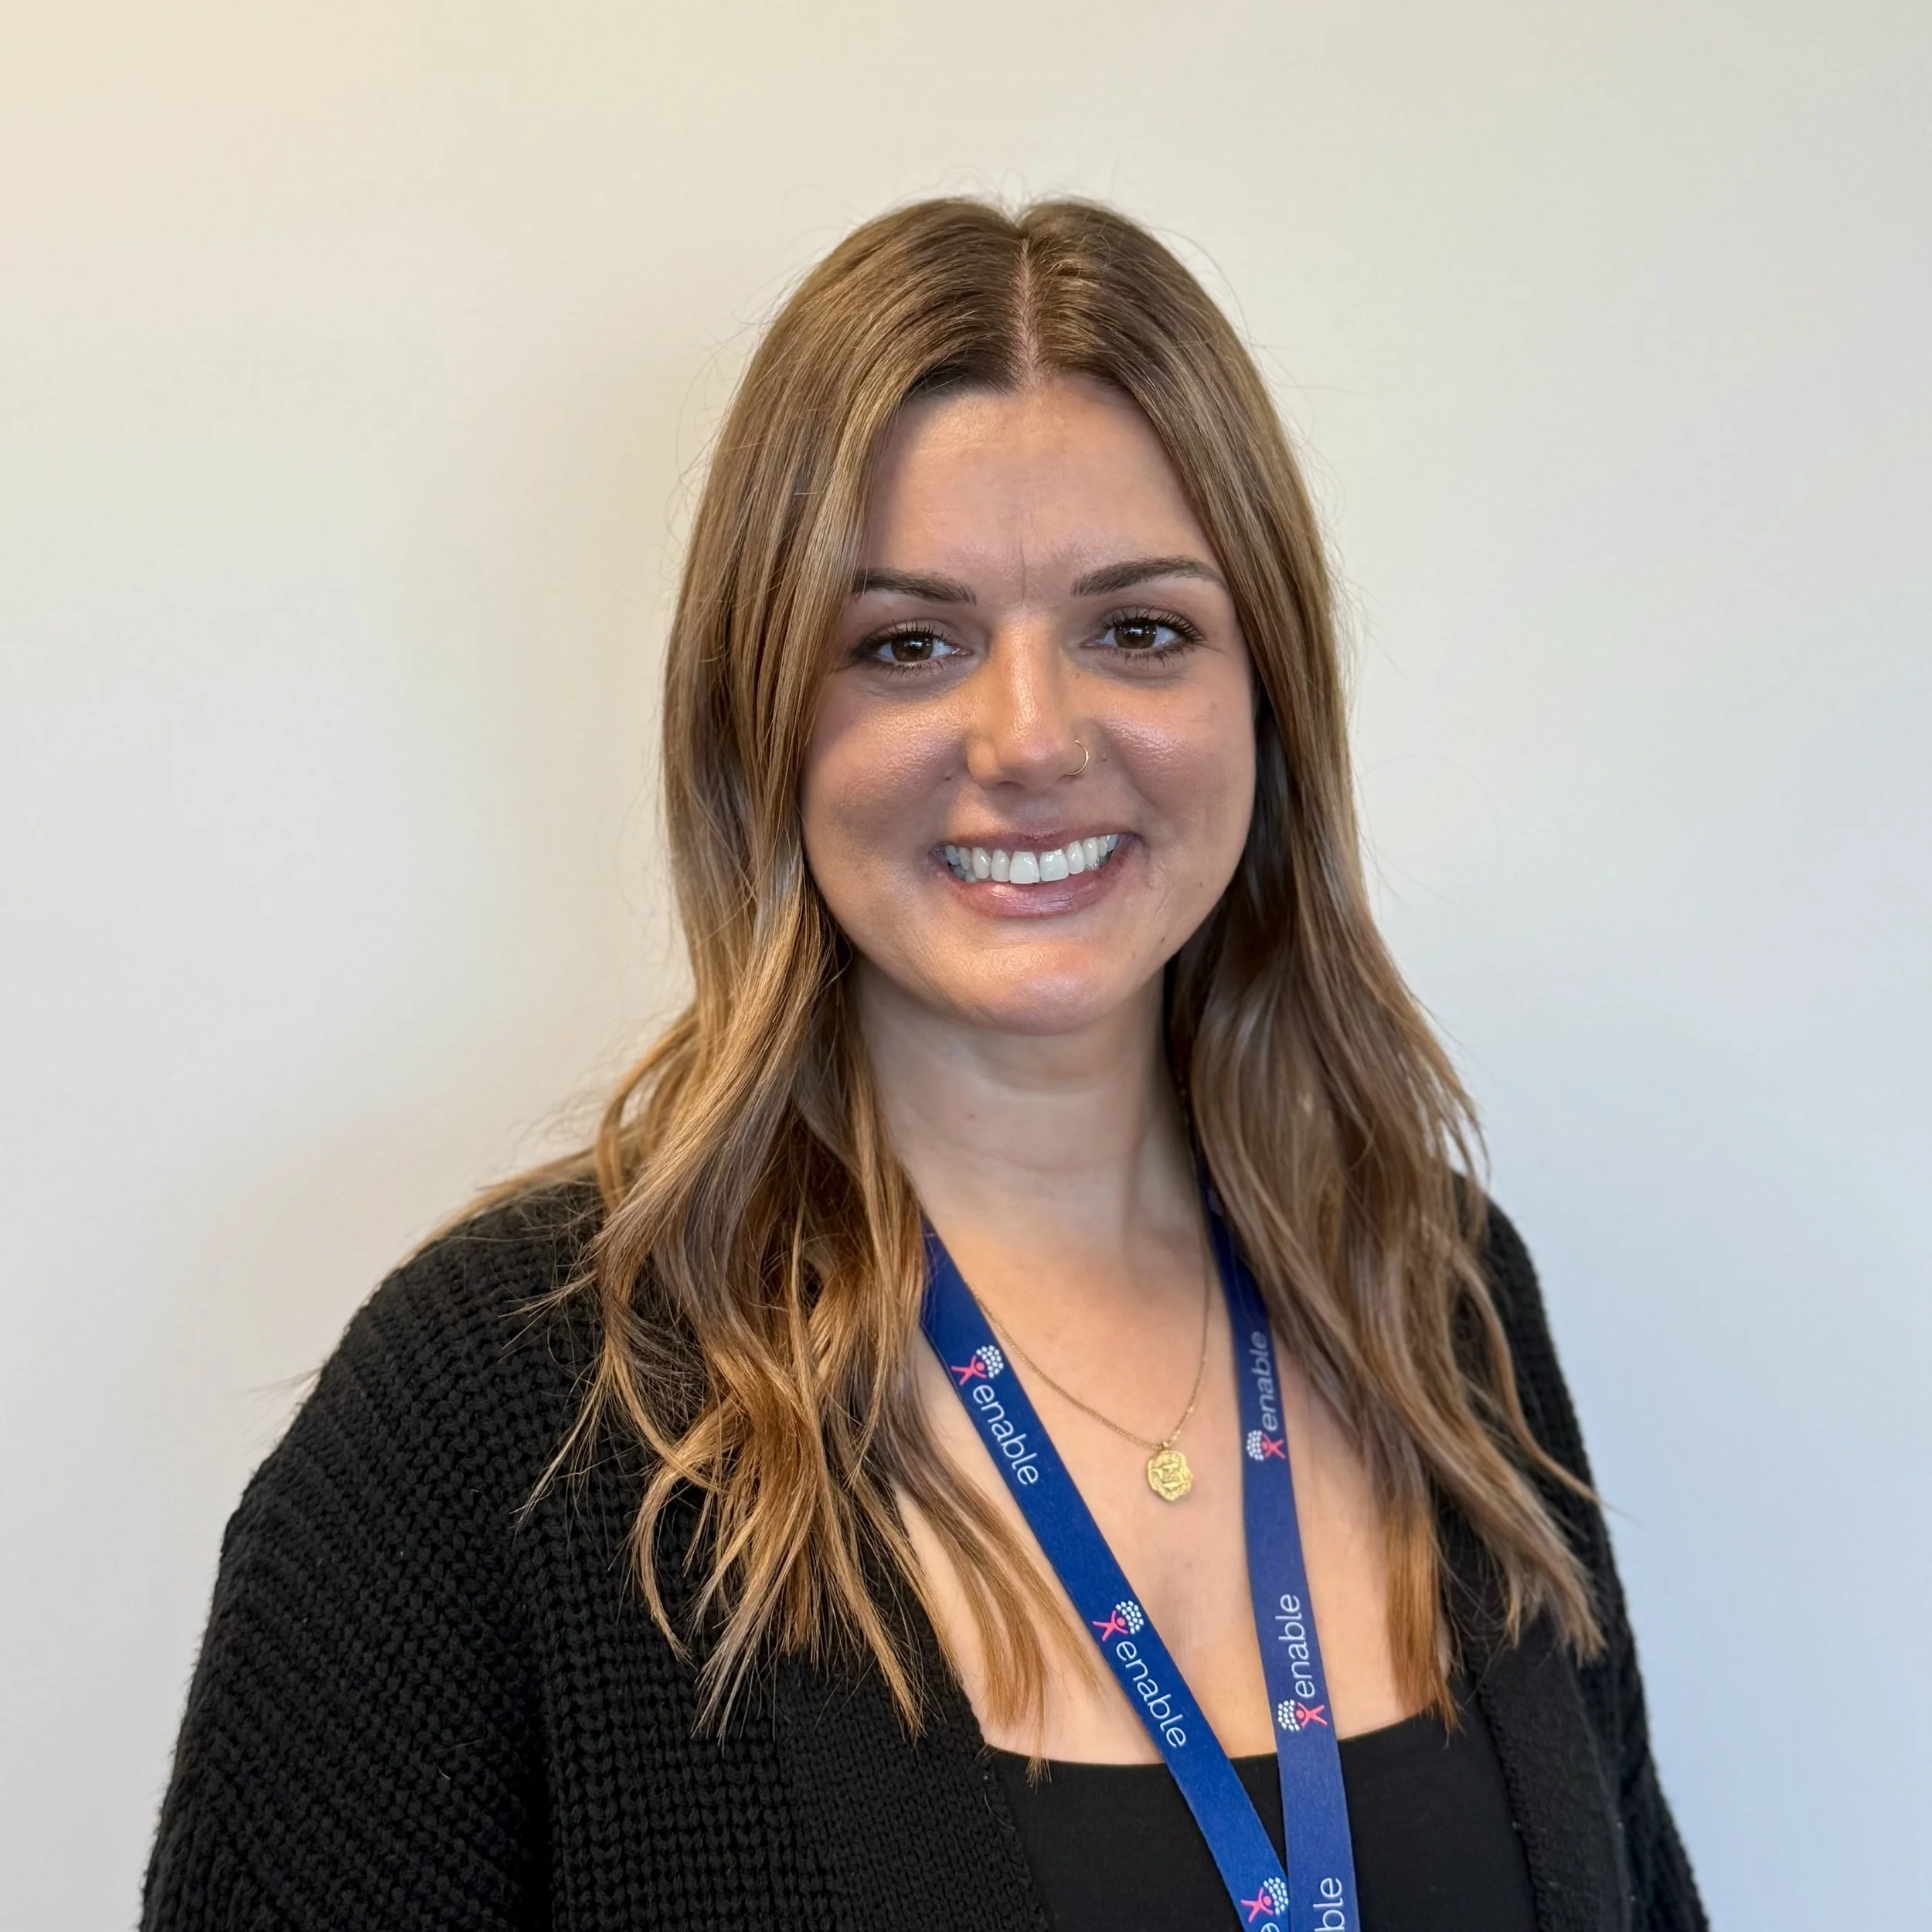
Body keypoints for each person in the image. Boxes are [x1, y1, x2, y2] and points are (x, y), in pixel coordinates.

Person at [143, 198, 1706, 1932]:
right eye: (905, 641)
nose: (1030, 736)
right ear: (757, 717)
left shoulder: (1435, 1300)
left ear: (1266, 695)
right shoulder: (497, 1419)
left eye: (1139, 629)